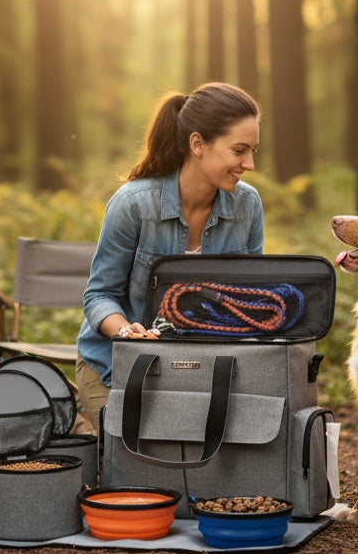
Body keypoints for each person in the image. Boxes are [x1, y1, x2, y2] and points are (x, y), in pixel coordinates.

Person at [75, 82, 264, 432]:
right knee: (135, 456)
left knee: (192, 460)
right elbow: (98, 295)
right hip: (115, 365)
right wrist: (127, 333)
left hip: (199, 369)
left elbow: (249, 300)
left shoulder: (247, 205)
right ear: (197, 144)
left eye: (253, 150)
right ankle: (82, 428)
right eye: (239, 150)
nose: (249, 164)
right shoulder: (133, 204)